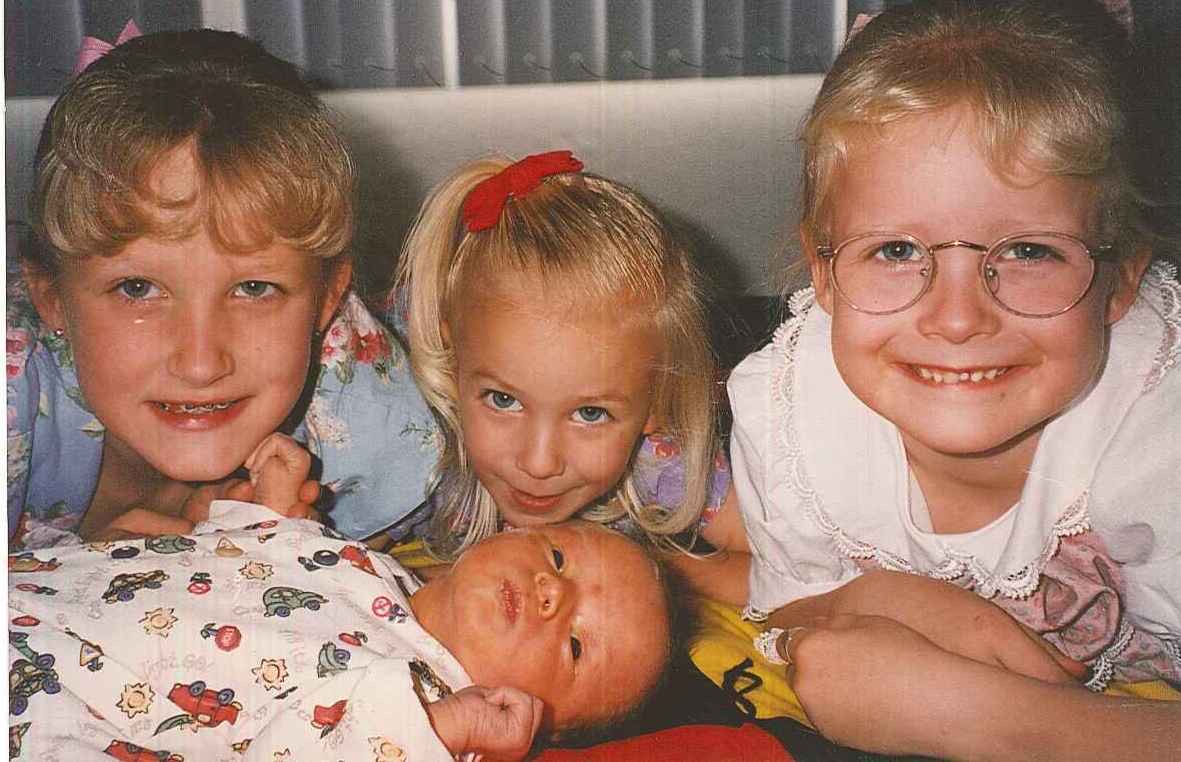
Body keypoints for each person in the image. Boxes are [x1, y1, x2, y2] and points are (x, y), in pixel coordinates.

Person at [693, 0, 1181, 757]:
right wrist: (881, 597)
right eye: (893, 251)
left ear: (1120, 280)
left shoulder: (1160, 430)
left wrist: (990, 719)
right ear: (822, 270)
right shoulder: (788, 411)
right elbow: (784, 603)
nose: (956, 319)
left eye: (1028, 252)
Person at [7, 29, 438, 549]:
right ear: (50, 296)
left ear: (328, 296)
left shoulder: (372, 428)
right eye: (138, 288)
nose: (201, 363)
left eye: (254, 288)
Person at [7, 433, 675, 761]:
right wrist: (268, 514)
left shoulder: (430, 723)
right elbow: (276, 576)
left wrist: (443, 731)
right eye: (557, 558)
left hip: (53, 709)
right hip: (44, 590)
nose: (551, 593)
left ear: (537, 724)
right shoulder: (378, 572)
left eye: (577, 645)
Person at [379, 151, 733, 561]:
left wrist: (653, 571)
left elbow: (771, 570)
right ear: (451, 358)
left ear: (657, 397)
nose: (539, 463)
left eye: (590, 414)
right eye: (503, 400)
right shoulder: (412, 441)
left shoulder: (660, 460)